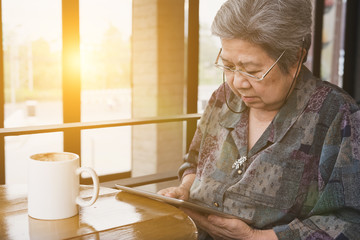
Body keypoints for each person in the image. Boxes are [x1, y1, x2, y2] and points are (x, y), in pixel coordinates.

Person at [158, 0, 360, 239]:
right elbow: (194, 162)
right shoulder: (222, 99)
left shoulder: (337, 114)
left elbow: (350, 223)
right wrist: (185, 189)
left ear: (296, 58)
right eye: (228, 66)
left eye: (252, 71)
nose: (237, 83)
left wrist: (254, 237)